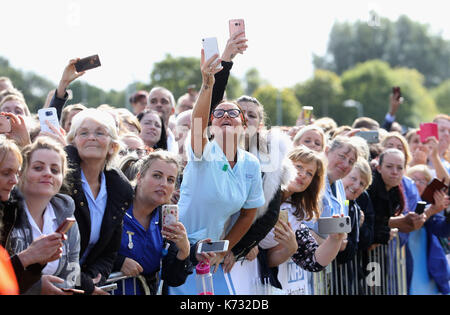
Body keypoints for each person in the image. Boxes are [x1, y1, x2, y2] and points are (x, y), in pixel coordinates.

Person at [170, 49, 264, 295]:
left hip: (210, 259)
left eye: (233, 113)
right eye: (218, 113)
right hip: (179, 252)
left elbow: (248, 213)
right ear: (212, 125)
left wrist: (225, 249)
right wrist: (207, 83)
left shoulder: (251, 164)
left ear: (244, 125)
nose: (225, 116)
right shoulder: (203, 152)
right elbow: (197, 122)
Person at [63, 108, 134, 295]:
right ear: (74, 142)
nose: (91, 137)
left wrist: (96, 275)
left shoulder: (120, 190)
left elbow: (109, 251)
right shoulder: (61, 181)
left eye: (100, 133)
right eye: (83, 133)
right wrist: (86, 285)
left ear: (113, 146)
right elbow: (55, 248)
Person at [257, 147, 346, 288]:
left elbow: (313, 261)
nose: (303, 174)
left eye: (310, 173)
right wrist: (246, 245)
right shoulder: (259, 188)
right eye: (298, 166)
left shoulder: (296, 213)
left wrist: (335, 240)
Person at [5, 137, 81, 295]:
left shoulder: (66, 216)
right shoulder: (6, 213)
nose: (48, 174)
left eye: (55, 170)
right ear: (21, 173)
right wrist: (35, 286)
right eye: (38, 168)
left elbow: (72, 274)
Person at [113, 151, 193, 295]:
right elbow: (88, 251)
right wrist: (118, 262)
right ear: (140, 177)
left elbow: (173, 278)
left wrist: (184, 250)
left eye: (170, 180)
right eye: (157, 176)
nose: (163, 184)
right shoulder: (116, 206)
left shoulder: (166, 218)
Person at [305, 136, 359, 240]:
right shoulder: (312, 180)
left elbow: (343, 226)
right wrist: (331, 245)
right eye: (342, 156)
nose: (345, 164)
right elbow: (302, 228)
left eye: (351, 162)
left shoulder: (339, 185)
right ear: (327, 151)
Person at [367, 148, 406, 246]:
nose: (395, 172)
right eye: (389, 166)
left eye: (400, 168)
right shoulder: (369, 188)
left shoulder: (395, 192)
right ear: (379, 168)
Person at [147, 87, 178, 154]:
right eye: (153, 101)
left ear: (172, 110)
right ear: (147, 108)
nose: (158, 105)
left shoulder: (179, 143)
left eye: (164, 102)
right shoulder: (138, 140)